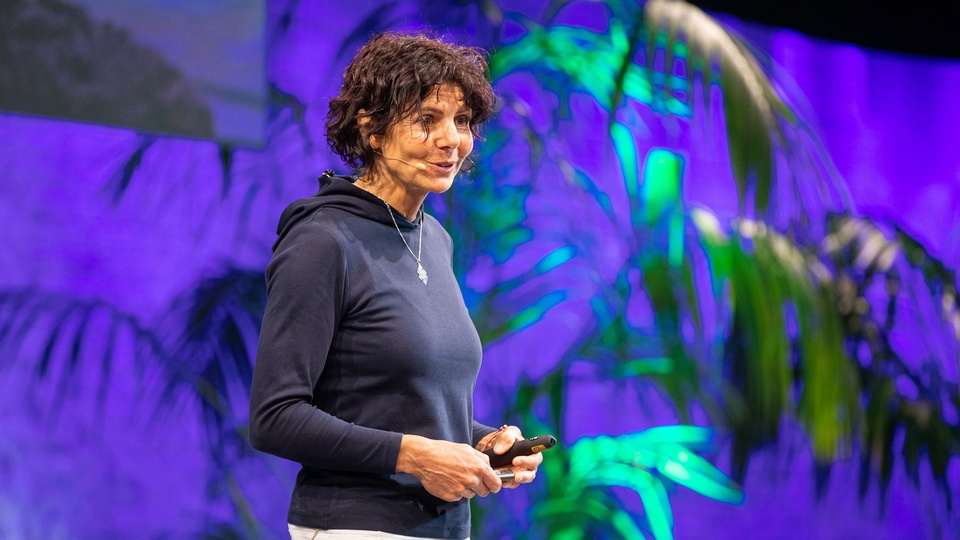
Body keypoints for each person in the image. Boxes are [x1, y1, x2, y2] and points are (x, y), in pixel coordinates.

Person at [248, 32, 543, 540]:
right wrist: (418, 455)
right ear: (373, 130)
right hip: (356, 526)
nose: (451, 139)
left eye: (462, 121)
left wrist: (482, 443)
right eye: (427, 120)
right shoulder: (324, 239)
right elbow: (275, 416)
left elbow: (400, 408)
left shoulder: (437, 240)